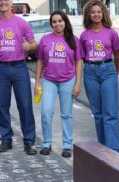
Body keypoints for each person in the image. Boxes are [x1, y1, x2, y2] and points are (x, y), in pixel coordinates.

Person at [0, 0, 37, 155]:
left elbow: (34, 44)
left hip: (20, 68)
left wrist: (29, 46)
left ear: (11, 2)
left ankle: (29, 141)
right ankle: (6, 139)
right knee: (2, 105)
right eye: (0, 0)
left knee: (25, 105)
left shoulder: (21, 23)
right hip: (1, 69)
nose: (3, 2)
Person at [34, 10, 83, 158]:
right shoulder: (45, 40)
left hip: (68, 81)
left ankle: (67, 145)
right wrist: (37, 82)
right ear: (51, 24)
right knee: (46, 112)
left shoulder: (73, 39)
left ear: (65, 22)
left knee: (66, 114)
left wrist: (78, 83)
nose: (57, 24)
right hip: (49, 80)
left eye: (60, 21)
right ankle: (46, 143)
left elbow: (78, 61)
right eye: (54, 22)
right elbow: (40, 61)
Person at [79, 0, 119, 153]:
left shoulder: (111, 33)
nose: (96, 14)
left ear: (103, 13)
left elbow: (117, 54)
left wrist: (113, 73)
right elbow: (82, 56)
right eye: (93, 12)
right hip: (90, 72)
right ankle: (103, 149)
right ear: (88, 15)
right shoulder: (84, 35)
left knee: (110, 114)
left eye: (98, 11)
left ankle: (114, 151)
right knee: (98, 114)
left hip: (108, 71)